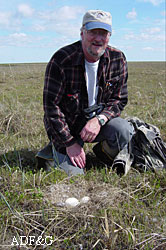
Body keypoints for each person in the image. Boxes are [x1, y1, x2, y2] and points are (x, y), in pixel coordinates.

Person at [36, 9, 134, 176]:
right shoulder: (61, 60)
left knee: (124, 130)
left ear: (109, 36)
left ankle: (102, 153)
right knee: (74, 176)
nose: (98, 38)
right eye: (92, 32)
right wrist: (69, 143)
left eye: (103, 33)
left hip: (96, 123)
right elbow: (51, 109)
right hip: (68, 128)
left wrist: (99, 119)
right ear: (82, 33)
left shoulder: (117, 58)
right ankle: (51, 154)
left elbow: (119, 99)